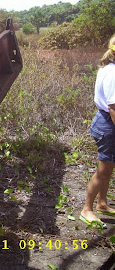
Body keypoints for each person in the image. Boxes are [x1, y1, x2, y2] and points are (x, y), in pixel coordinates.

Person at [80, 34, 115, 228]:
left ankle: (102, 203)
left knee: (108, 167)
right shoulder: (113, 73)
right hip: (109, 124)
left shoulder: (109, 68)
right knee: (103, 170)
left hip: (106, 121)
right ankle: (87, 209)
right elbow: (113, 107)